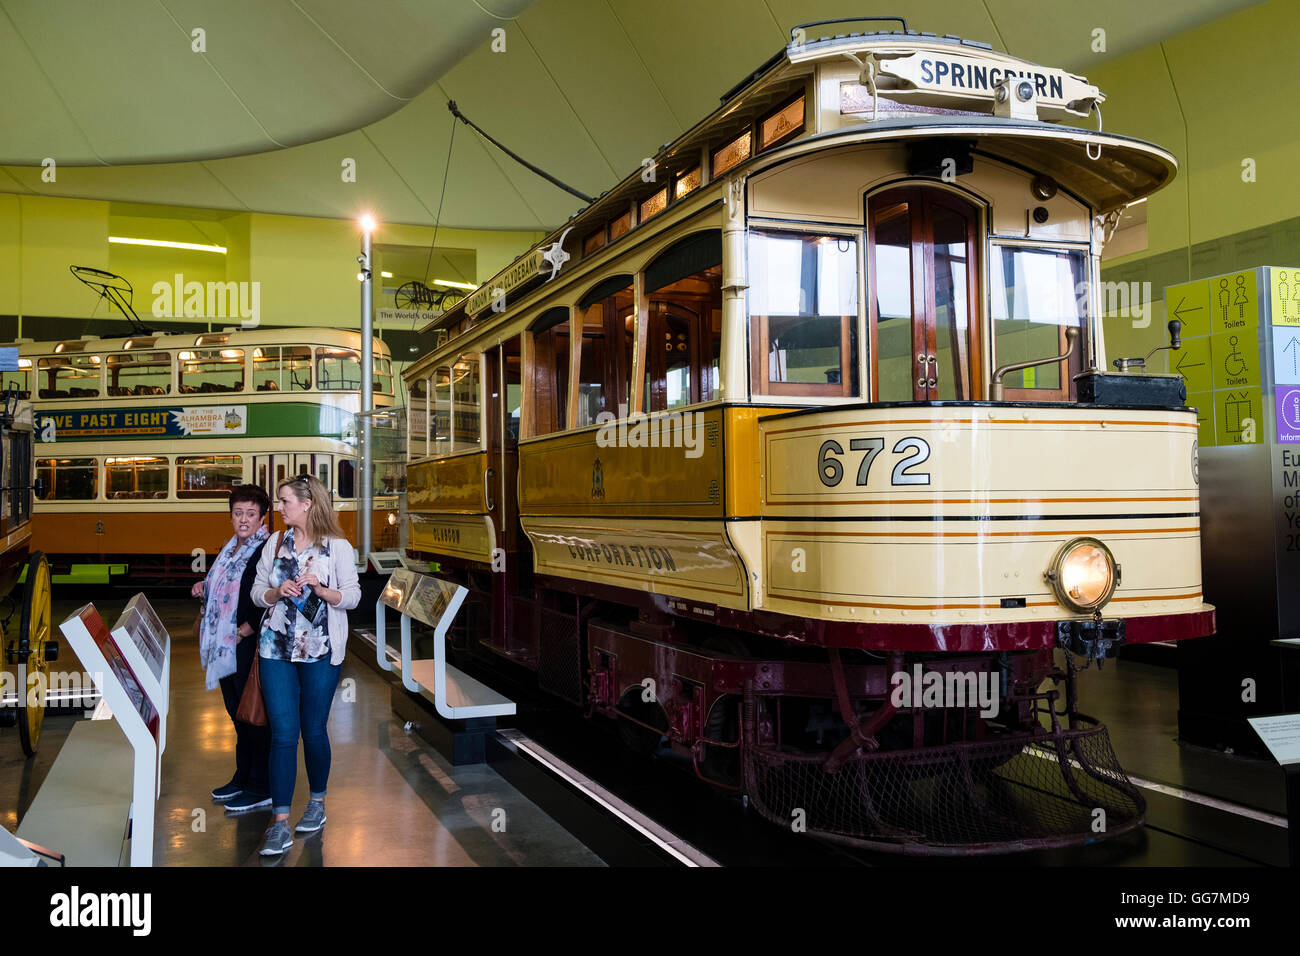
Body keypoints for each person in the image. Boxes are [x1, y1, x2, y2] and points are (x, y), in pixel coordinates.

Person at [251, 475, 360, 857]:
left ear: (307, 503)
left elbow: (352, 596)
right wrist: (275, 592)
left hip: (320, 650)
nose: (279, 508)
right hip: (275, 649)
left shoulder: (338, 547)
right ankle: (280, 824)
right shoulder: (274, 542)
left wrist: (321, 590)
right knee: (283, 734)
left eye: (284, 501)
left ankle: (317, 802)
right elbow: (257, 591)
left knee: (313, 731)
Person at [194, 484, 273, 813]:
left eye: (251, 514)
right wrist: (204, 587)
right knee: (236, 716)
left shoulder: (265, 548)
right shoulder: (230, 549)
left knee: (253, 716)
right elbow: (222, 586)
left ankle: (262, 786)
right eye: (238, 513)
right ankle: (243, 777)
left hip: (246, 642)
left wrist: (245, 629)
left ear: (262, 517)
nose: (244, 520)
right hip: (223, 644)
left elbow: (267, 592)